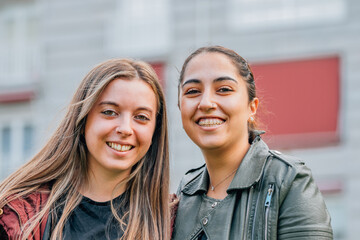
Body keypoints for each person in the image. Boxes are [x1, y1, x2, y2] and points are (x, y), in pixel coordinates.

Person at [172, 46, 333, 239]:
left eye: (223, 89)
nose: (206, 103)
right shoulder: (184, 193)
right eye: (192, 91)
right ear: (180, 107)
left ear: (252, 107)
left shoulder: (288, 180)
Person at [0, 59, 171, 240]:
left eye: (141, 117)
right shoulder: (18, 216)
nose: (126, 129)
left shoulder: (173, 222)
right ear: (83, 120)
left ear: (155, 131)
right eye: (110, 112)